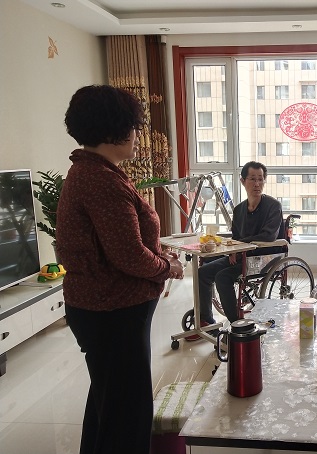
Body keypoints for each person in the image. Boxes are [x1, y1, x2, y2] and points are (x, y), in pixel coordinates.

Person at [56, 85, 184, 454]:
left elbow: (120, 245)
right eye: (133, 126)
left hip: (103, 308)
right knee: (128, 413)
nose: (137, 135)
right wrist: (167, 266)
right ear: (114, 129)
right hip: (112, 312)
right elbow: (129, 257)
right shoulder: (101, 181)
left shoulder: (94, 172)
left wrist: (158, 257)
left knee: (109, 403)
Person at [195, 161, 283, 329]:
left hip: (264, 257)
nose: (257, 184)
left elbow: (268, 236)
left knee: (222, 277)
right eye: (252, 179)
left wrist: (240, 245)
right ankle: (206, 320)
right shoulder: (239, 210)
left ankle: (236, 324)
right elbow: (236, 236)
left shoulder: (273, 206)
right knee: (203, 272)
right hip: (242, 256)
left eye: (260, 179)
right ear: (243, 181)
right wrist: (232, 250)